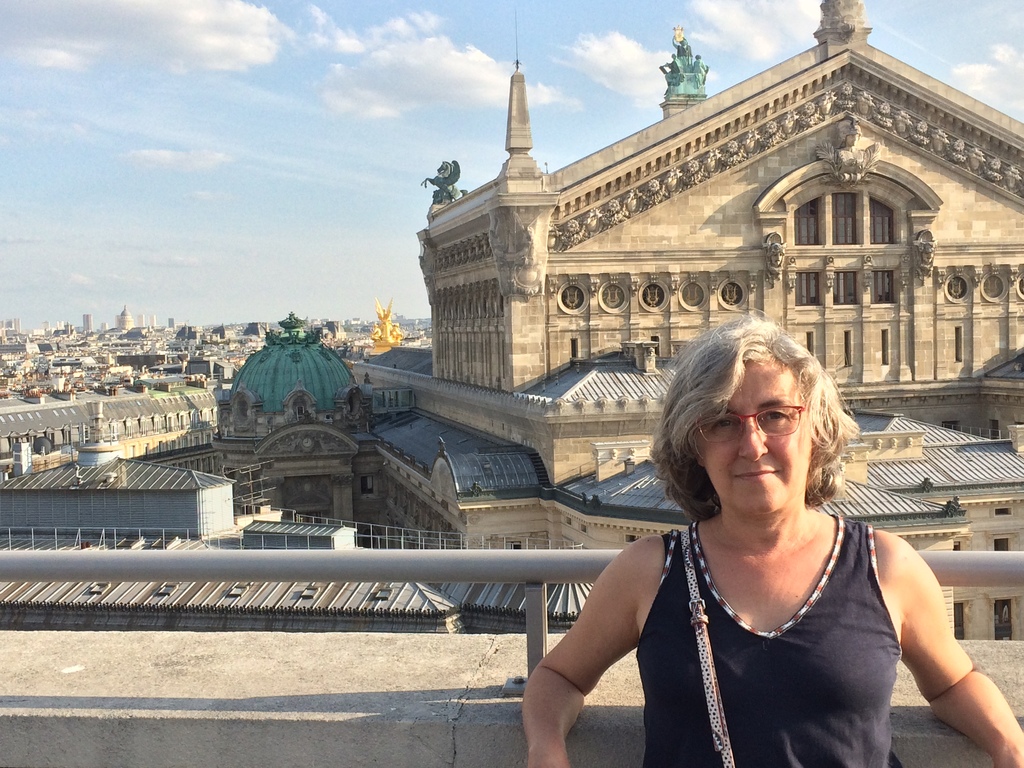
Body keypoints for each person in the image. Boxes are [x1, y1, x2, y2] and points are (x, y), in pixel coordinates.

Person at [523, 314, 1024, 767]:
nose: (752, 444)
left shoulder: (885, 565)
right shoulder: (649, 572)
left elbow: (952, 682)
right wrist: (547, 750)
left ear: (816, 431)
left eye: (775, 415)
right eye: (722, 422)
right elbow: (558, 677)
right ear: (695, 446)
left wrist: (1008, 745)